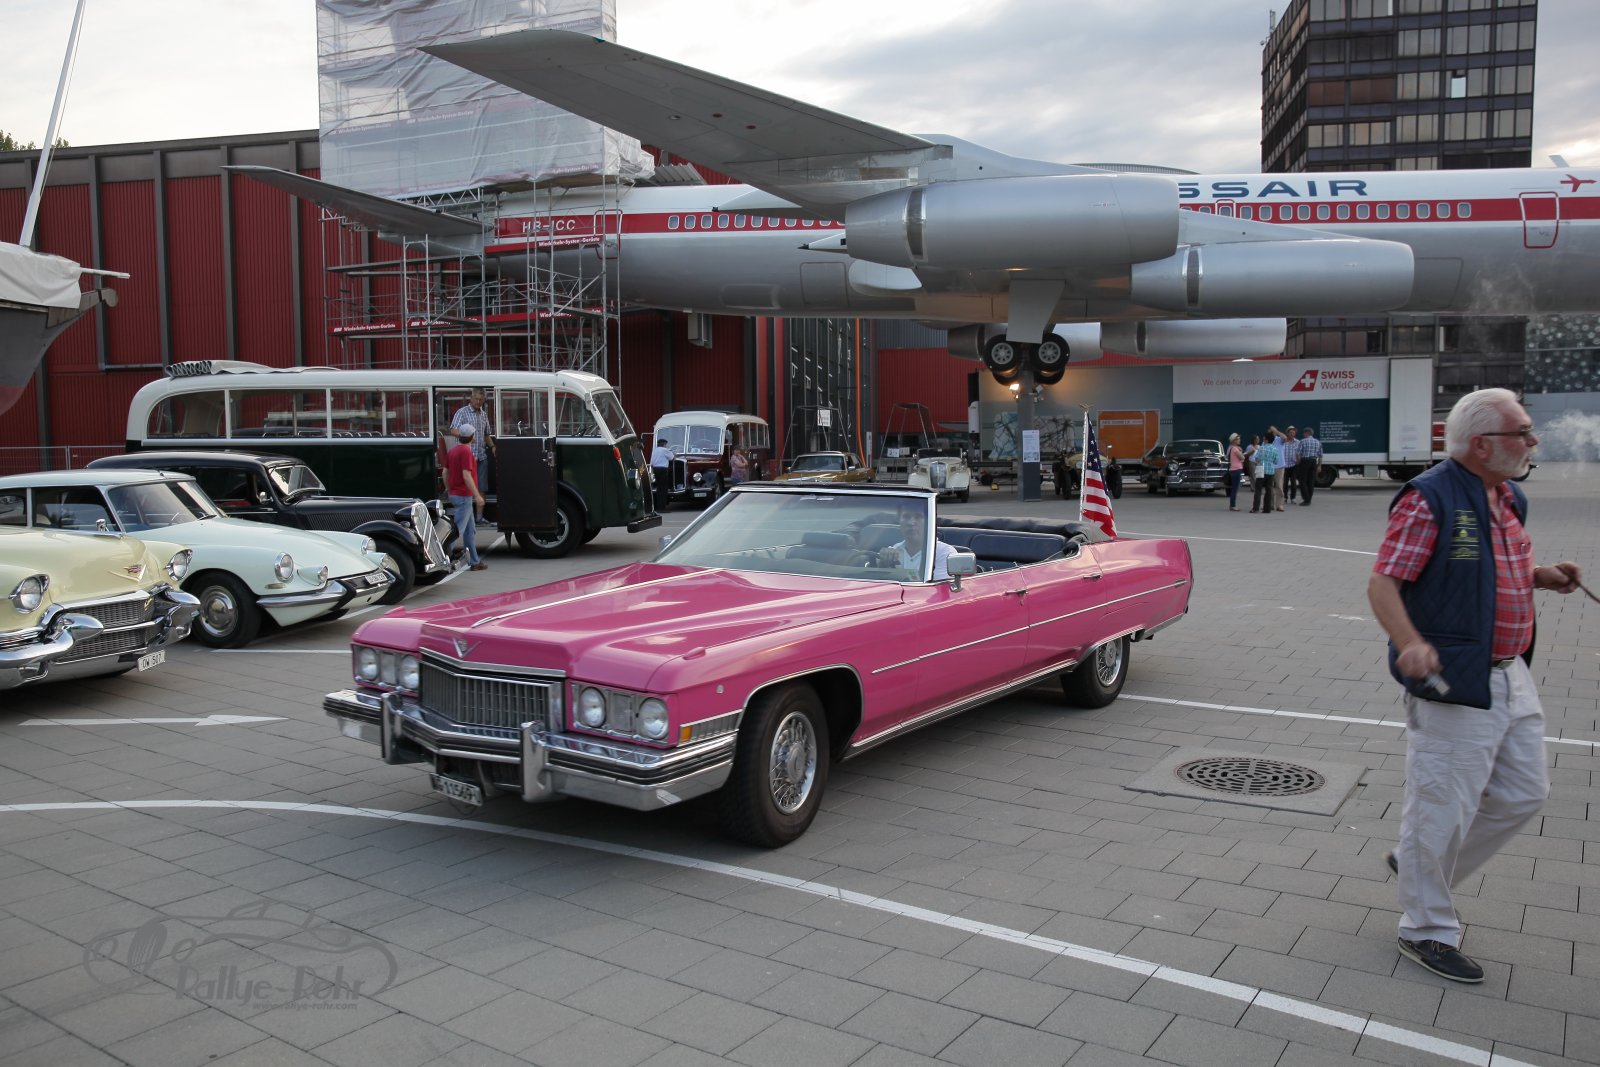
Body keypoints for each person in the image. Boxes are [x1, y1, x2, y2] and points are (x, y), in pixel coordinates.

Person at [1367, 388, 1581, 984]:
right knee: (1442, 806)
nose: (1533, 441)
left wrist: (1543, 576)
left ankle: (1418, 868)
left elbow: (1491, 569)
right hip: (1454, 677)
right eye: (1523, 431)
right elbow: (1383, 583)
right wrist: (1409, 642)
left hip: (1511, 672)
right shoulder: (1429, 498)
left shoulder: (1508, 495)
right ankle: (1425, 928)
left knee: (1523, 794)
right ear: (1483, 444)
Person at [445, 423, 488, 571]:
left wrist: (449, 488)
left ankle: (474, 561)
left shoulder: (453, 451)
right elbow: (466, 475)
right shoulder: (466, 452)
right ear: (471, 436)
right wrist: (477, 495)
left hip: (455, 494)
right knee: (458, 530)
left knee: (470, 530)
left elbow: (445, 472)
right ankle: (443, 558)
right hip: (464, 496)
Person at [876, 502, 954, 580]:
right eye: (906, 516)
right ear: (899, 521)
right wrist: (882, 566)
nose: (911, 523)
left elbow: (936, 586)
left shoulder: (945, 554)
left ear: (929, 522)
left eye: (918, 517)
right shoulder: (893, 551)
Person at [446, 388, 495, 497]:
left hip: (481, 457)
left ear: (484, 400)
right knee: (464, 487)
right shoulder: (462, 412)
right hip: (466, 456)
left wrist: (492, 446)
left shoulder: (484, 415)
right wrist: (467, 436)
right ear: (471, 398)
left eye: (481, 399)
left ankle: (480, 508)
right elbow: (453, 430)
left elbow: (486, 434)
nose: (478, 402)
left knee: (482, 488)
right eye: (476, 399)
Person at [1252, 430, 1279, 514]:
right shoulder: (1275, 449)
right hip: (1271, 471)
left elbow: (1256, 459)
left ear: (1266, 440)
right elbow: (1276, 461)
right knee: (1269, 490)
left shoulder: (1262, 448)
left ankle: (1256, 508)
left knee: (1258, 490)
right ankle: (1267, 509)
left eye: (1264, 439)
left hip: (1261, 470)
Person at [1296, 426, 1323, 505]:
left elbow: (1298, 453)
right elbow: (1320, 456)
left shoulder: (1303, 441)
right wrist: (1319, 465)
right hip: (1314, 461)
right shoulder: (1318, 442)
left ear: (1307, 433)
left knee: (1302, 480)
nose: (1303, 434)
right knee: (1311, 481)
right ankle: (1309, 498)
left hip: (1305, 461)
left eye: (1304, 433)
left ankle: (1306, 499)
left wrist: (1298, 462)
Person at [650, 436, 673, 511]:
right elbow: (671, 458)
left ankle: (658, 506)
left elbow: (652, 462)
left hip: (655, 469)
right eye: (666, 444)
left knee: (658, 488)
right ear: (664, 444)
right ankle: (662, 507)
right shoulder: (665, 450)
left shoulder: (655, 450)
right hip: (663, 470)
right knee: (663, 489)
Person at [1281, 424, 1300, 504]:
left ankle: (1293, 498)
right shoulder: (1283, 441)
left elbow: (1299, 453)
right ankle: (1285, 497)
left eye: (1293, 432)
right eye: (1291, 432)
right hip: (1284, 465)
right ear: (1287, 433)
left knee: (1293, 483)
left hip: (1294, 465)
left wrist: (1298, 460)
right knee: (1284, 483)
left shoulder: (1298, 442)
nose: (1292, 434)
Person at [1225, 433, 1245, 511]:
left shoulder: (1231, 448)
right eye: (1238, 439)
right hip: (1236, 470)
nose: (1239, 440)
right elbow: (1242, 457)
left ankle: (1232, 505)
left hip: (1233, 469)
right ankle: (1233, 505)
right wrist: (1241, 452)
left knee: (1234, 488)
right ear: (1233, 440)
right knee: (1235, 489)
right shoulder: (1235, 449)